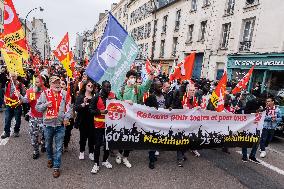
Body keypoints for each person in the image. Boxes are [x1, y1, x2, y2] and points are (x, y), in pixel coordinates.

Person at [115, 70, 153, 168]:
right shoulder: (121, 89)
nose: (133, 79)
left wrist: (150, 76)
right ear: (127, 78)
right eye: (131, 77)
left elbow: (146, 87)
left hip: (133, 118)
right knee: (122, 136)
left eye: (134, 77)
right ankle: (119, 154)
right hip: (123, 118)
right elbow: (117, 102)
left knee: (130, 138)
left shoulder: (137, 88)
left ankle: (125, 157)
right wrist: (125, 101)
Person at [36, 76, 72, 178]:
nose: (57, 84)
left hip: (60, 125)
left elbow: (69, 107)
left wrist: (67, 117)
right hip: (48, 125)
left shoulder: (65, 94)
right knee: (48, 144)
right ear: (50, 84)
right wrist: (46, 105)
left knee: (59, 147)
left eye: (58, 82)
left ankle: (56, 167)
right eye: (54, 82)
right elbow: (37, 107)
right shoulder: (45, 94)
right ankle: (50, 158)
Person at [89, 80, 115, 174]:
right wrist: (100, 112)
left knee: (108, 144)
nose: (109, 89)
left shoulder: (112, 96)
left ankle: (105, 161)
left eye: (110, 87)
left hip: (109, 125)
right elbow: (90, 110)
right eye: (107, 87)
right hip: (98, 126)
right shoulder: (96, 97)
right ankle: (96, 164)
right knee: (98, 145)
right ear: (102, 87)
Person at [19, 75, 45, 159]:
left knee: (45, 135)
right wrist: (20, 96)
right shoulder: (31, 91)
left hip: (45, 119)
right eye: (35, 82)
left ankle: (43, 144)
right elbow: (26, 100)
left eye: (37, 82)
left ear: (42, 83)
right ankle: (35, 150)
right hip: (33, 117)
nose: (35, 84)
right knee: (33, 135)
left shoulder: (47, 92)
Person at [74, 80, 96, 160]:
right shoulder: (80, 96)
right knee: (83, 137)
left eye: (92, 86)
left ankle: (91, 152)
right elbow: (76, 108)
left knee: (92, 137)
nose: (90, 87)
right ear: (85, 87)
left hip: (92, 120)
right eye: (89, 86)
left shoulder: (95, 96)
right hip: (83, 120)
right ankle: (82, 152)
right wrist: (83, 104)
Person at [1, 74, 26, 139]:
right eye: (11, 76)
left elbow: (24, 96)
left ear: (16, 77)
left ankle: (16, 130)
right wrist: (5, 100)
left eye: (14, 76)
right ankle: (6, 132)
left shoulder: (21, 85)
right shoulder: (7, 83)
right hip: (9, 105)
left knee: (17, 120)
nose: (12, 77)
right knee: (7, 119)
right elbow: (5, 93)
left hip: (17, 105)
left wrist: (20, 102)